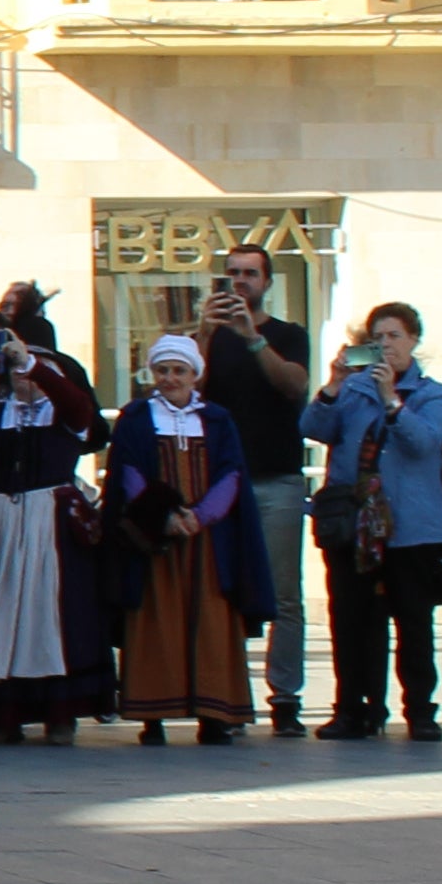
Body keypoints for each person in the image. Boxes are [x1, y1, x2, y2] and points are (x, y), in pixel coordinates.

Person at [100, 334, 269, 745]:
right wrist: (165, 516)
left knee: (211, 621)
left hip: (208, 542)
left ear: (195, 375)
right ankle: (152, 714)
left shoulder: (217, 419)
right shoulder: (138, 416)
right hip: (155, 539)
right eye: (163, 370)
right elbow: (129, 472)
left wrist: (200, 516)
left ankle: (214, 714)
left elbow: (231, 475)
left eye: (179, 371)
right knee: (156, 620)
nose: (171, 378)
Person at [0, 319, 101, 744]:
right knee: (1, 616)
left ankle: (60, 715)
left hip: (48, 521)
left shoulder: (65, 415)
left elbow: (79, 407)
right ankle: (3, 716)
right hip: (2, 520)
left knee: (49, 620)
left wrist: (33, 361)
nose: (23, 378)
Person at [303, 302, 442, 741]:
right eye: (378, 338)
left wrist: (392, 401)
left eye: (394, 337)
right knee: (351, 619)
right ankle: (354, 708)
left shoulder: (433, 395)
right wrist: (333, 384)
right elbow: (311, 427)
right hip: (354, 529)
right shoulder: (353, 391)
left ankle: (421, 711)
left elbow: (425, 443)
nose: (386, 346)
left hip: (411, 529)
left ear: (413, 341)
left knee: (413, 620)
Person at [186, 245, 317, 736]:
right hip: (220, 482)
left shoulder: (288, 335)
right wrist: (204, 331)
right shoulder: (209, 339)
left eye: (250, 274)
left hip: (276, 477)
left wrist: (253, 339)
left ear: (267, 281)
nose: (240, 283)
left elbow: (294, 386)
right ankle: (228, 700)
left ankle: (285, 699)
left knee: (285, 597)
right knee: (223, 592)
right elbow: (189, 390)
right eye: (233, 274)